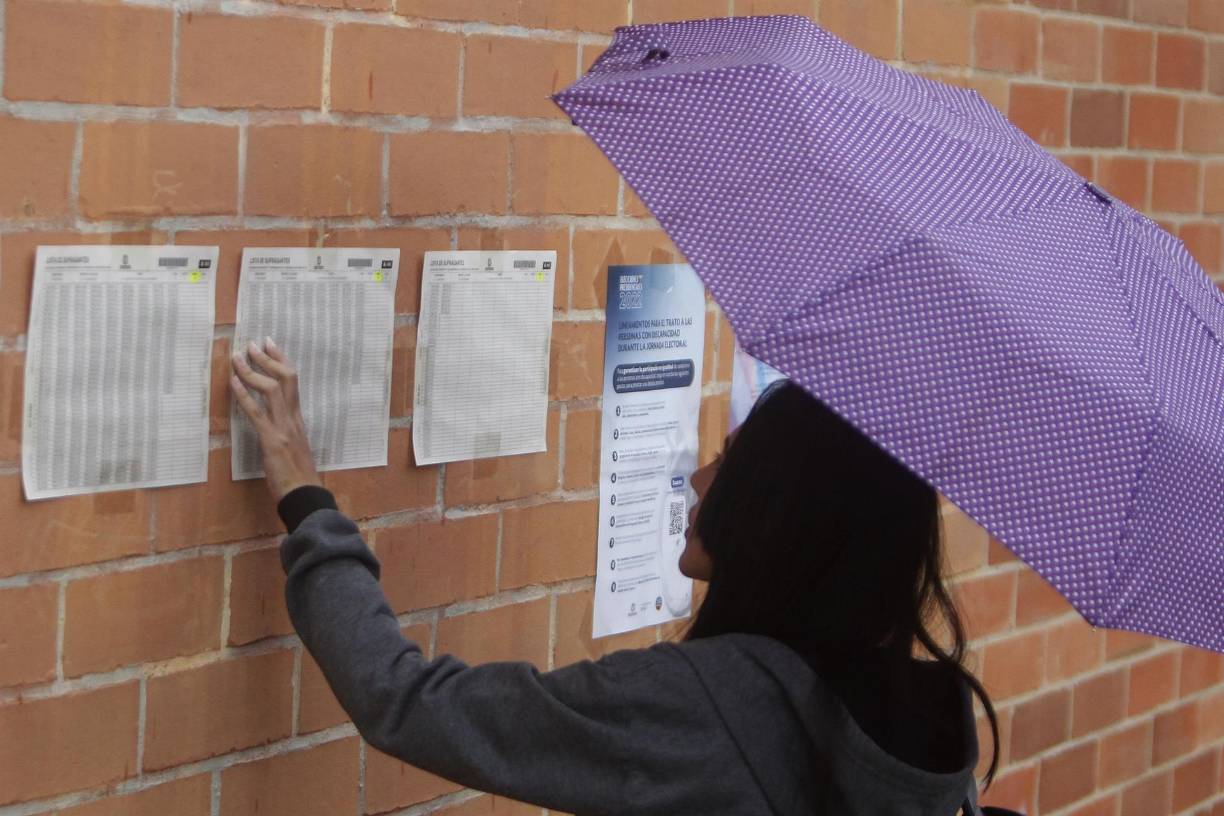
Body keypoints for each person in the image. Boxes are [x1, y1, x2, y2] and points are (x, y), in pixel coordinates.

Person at [230, 338, 1002, 816]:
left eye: (729, 464)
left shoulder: (700, 708)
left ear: (784, 517)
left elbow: (407, 703)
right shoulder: (928, 722)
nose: (698, 480)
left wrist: (305, 498)